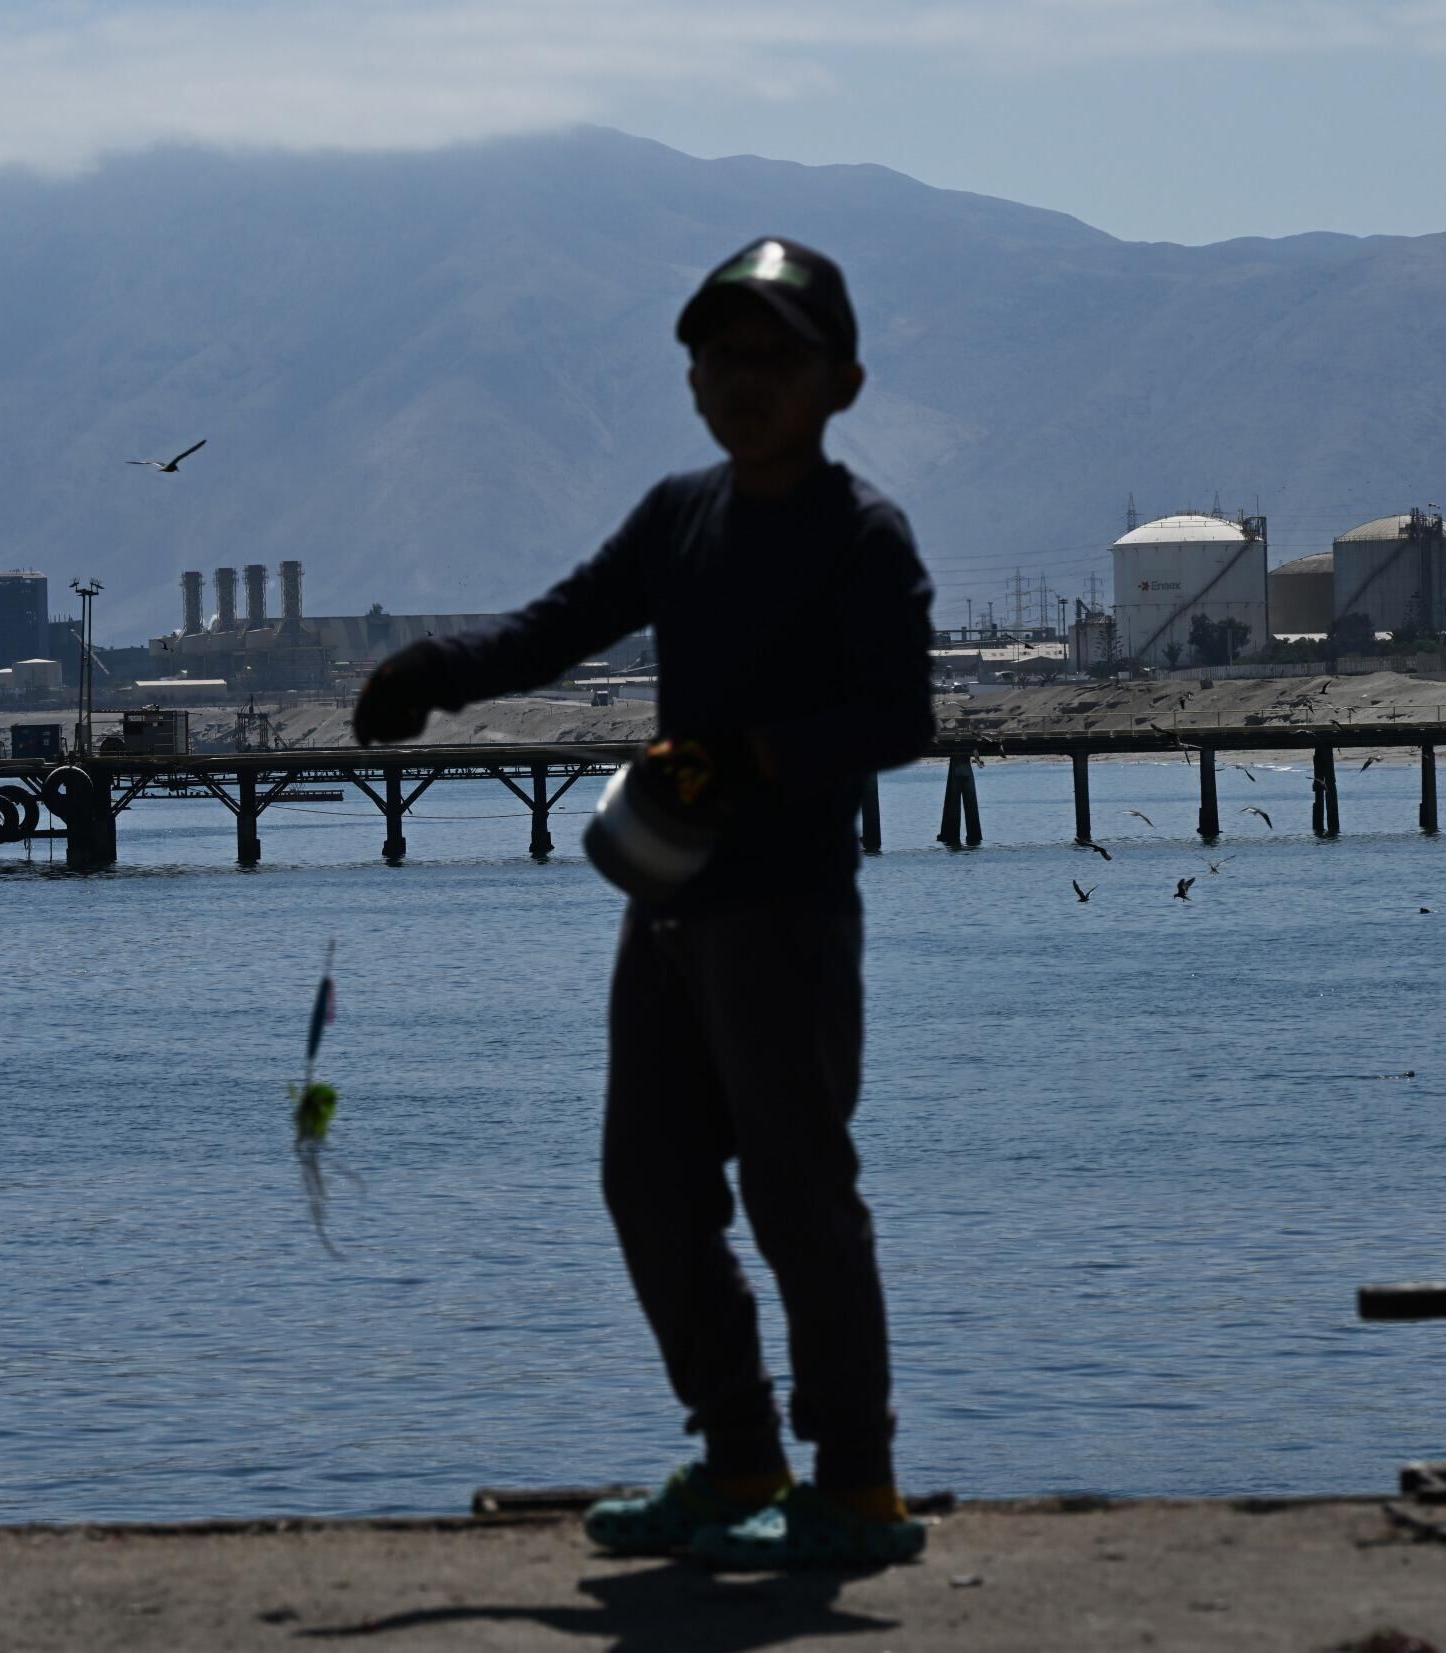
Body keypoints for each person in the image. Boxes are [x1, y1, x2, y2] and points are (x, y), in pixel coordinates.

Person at [352, 238, 936, 1569]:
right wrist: (436, 669)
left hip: (786, 917)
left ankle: (857, 1486)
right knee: (648, 1189)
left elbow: (899, 717)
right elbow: (557, 625)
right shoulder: (679, 515)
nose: (743, 380)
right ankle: (736, 1459)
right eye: (721, 356)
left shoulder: (862, 536)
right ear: (689, 380)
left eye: (774, 358)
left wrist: (754, 756)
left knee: (800, 1199)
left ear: (841, 381)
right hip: (667, 910)